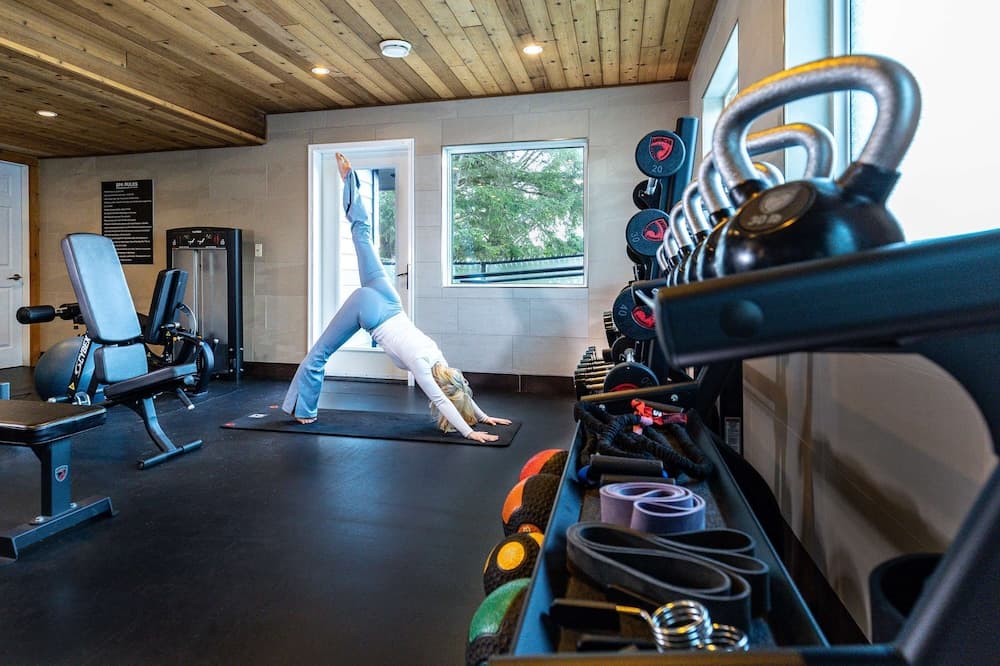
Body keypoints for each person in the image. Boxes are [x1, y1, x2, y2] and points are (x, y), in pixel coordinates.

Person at [283, 153, 512, 443]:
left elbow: (458, 391)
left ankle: (349, 180)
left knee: (362, 234)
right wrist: (470, 431)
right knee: (320, 353)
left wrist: (483, 416)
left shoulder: (437, 356)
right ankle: (304, 411)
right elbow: (443, 400)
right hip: (369, 309)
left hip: (389, 299)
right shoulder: (422, 367)